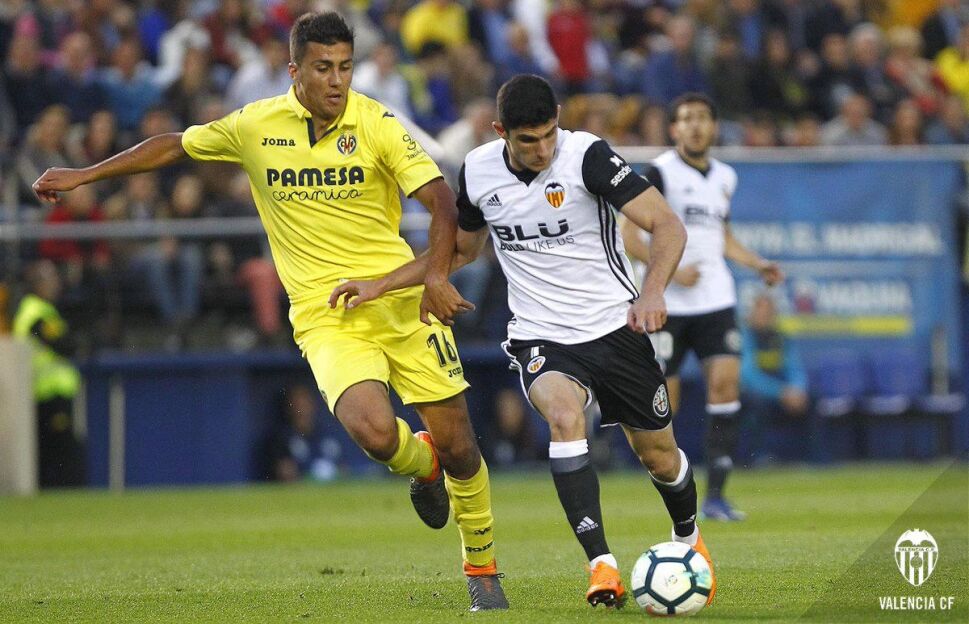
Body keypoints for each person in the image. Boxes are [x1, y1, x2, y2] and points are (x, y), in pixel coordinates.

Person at [32, 12, 507, 611]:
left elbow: (440, 201)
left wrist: (434, 276)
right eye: (323, 68)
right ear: (294, 70)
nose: (336, 80)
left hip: (402, 303)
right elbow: (174, 145)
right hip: (327, 311)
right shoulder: (255, 125)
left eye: (345, 67)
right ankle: (423, 466)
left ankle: (482, 568)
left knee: (461, 444)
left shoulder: (378, 122)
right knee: (374, 432)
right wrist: (85, 174)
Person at [331, 74, 716, 610]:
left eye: (549, 134)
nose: (542, 149)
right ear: (500, 132)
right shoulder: (479, 171)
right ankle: (601, 565)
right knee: (564, 417)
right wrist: (380, 284)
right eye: (528, 140)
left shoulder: (587, 157)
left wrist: (652, 292)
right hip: (541, 335)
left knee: (659, 456)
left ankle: (688, 537)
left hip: (615, 327)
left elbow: (668, 225)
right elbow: (459, 251)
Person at [620, 92, 784, 523]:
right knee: (664, 404)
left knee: (726, 386)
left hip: (716, 299)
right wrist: (670, 272)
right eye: (686, 118)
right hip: (667, 304)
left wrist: (757, 263)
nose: (695, 125)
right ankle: (673, 494)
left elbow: (722, 236)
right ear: (674, 128)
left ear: (713, 127)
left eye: (702, 118)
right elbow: (629, 235)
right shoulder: (659, 172)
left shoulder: (726, 176)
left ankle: (716, 497)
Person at [12, 260, 86, 488]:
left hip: (51, 393)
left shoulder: (44, 310)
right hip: (47, 393)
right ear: (37, 284)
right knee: (59, 453)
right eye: (50, 279)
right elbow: (62, 345)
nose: (56, 284)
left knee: (57, 452)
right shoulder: (34, 313)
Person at [740, 293, 809, 464]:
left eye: (768, 312)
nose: (764, 316)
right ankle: (758, 457)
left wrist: (797, 389)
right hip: (754, 393)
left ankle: (811, 458)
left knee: (811, 400)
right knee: (756, 403)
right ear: (751, 313)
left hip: (783, 394)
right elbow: (749, 376)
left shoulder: (781, 338)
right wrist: (781, 392)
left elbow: (795, 368)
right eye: (760, 312)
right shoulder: (745, 338)